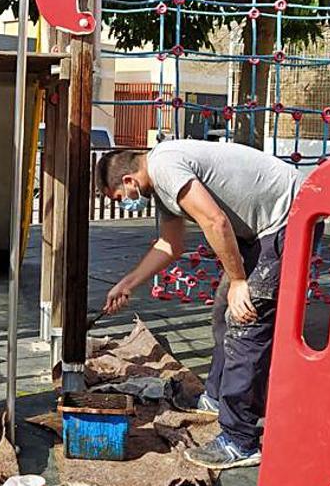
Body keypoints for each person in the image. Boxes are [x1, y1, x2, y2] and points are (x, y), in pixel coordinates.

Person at [95, 139, 306, 469]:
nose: (125, 204)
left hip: (288, 216)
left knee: (246, 323)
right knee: (224, 311)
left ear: (128, 181)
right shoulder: (161, 185)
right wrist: (128, 283)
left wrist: (238, 281)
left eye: (120, 199)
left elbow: (216, 222)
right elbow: (170, 244)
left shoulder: (165, 166)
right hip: (257, 230)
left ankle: (241, 441)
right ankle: (216, 397)